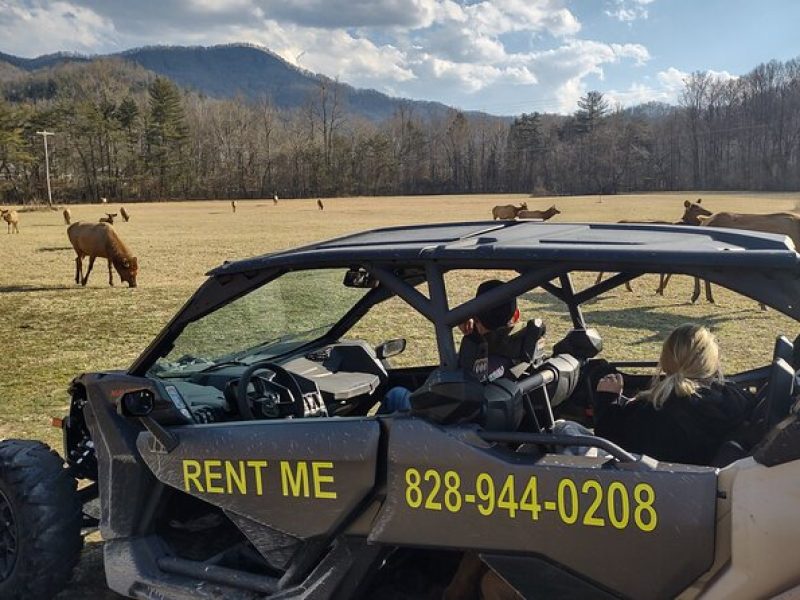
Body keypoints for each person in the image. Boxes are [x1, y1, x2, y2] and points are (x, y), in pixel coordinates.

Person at [594, 323, 755, 465]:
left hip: (659, 487)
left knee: (569, 430)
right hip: (699, 483)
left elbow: (609, 443)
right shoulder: (736, 401)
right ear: (711, 364)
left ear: (665, 361)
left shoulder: (651, 411)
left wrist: (608, 400)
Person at [380, 279, 537, 413]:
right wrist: (474, 338)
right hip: (491, 421)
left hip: (453, 428)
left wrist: (472, 339)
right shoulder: (525, 347)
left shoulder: (471, 363)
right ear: (516, 315)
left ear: (475, 317)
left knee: (396, 395)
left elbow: (432, 394)